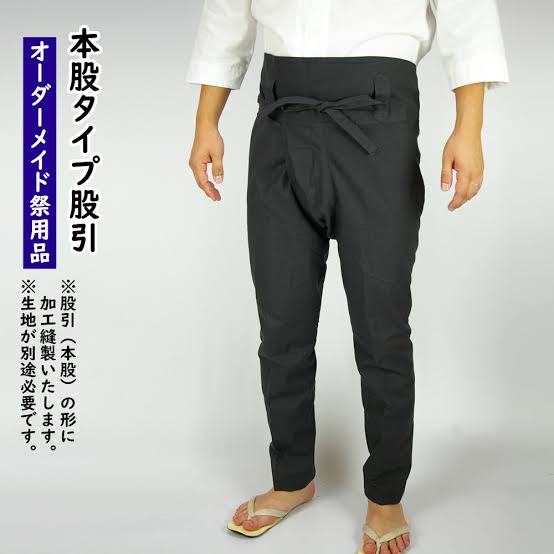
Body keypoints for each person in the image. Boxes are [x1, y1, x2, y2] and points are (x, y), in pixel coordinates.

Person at [186, 1, 509, 552]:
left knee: (382, 329)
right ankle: (292, 477)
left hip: (377, 118)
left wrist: (469, 127)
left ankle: (386, 496)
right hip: (280, 118)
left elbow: (469, 13)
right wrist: (205, 123)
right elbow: (226, 16)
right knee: (282, 324)